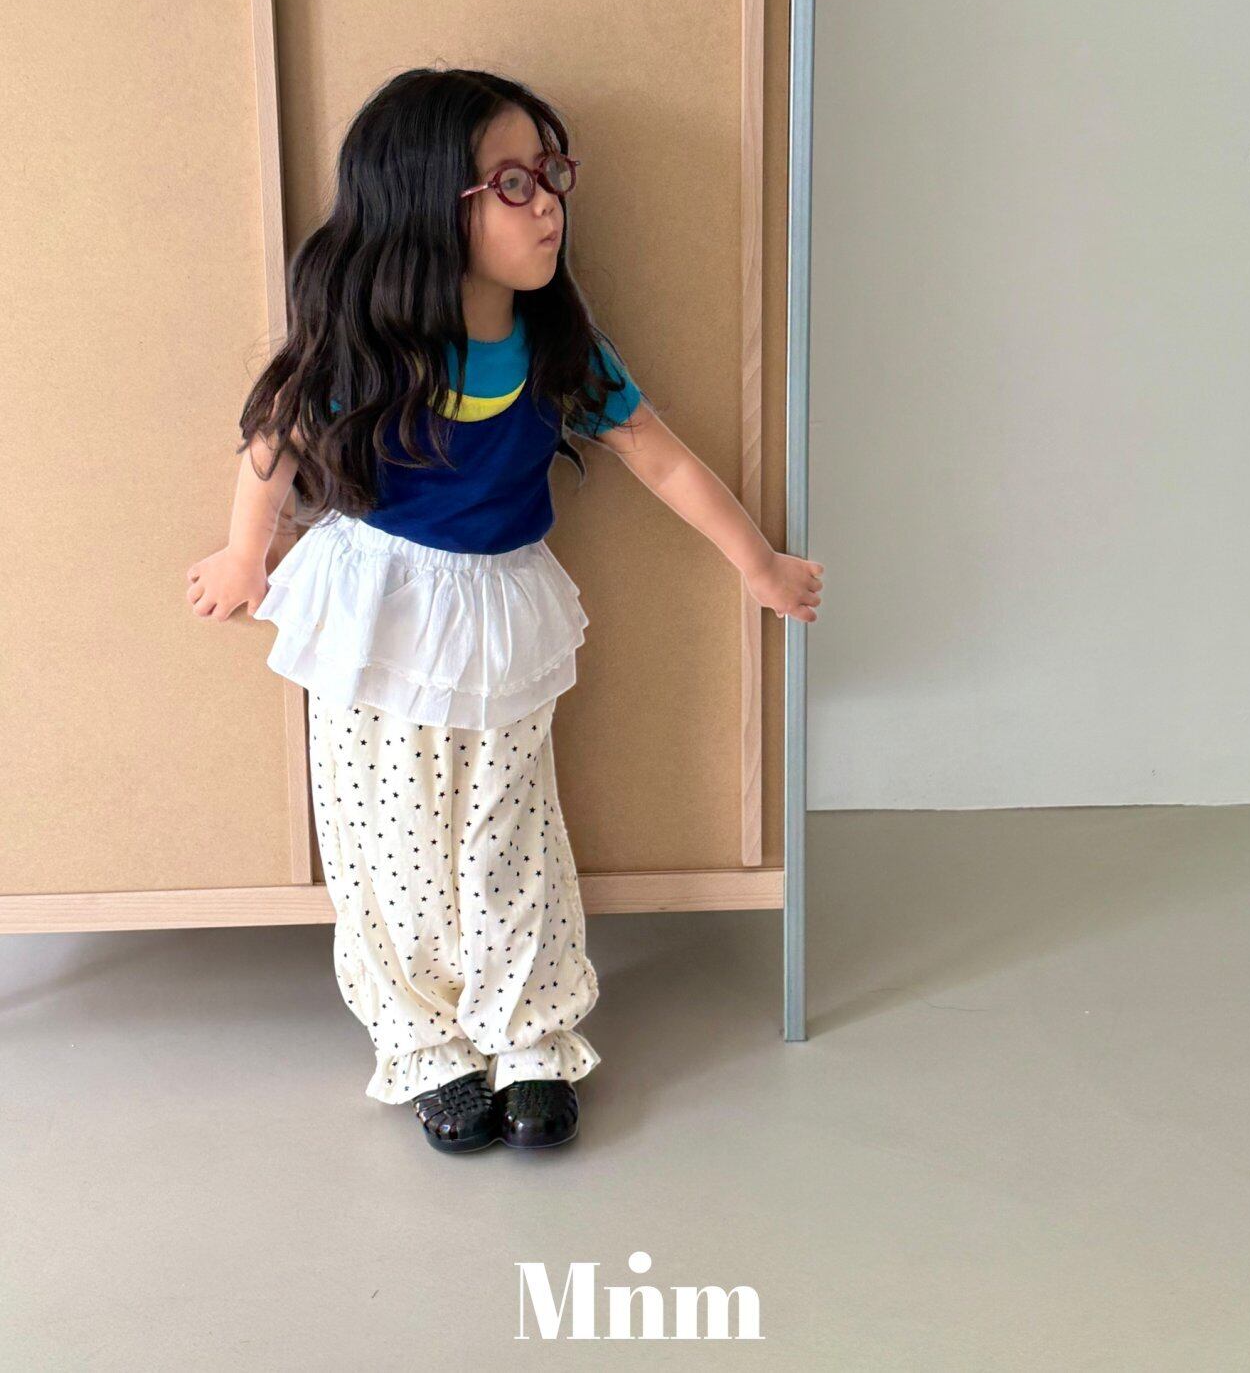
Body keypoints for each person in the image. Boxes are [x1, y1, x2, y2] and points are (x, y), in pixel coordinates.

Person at [185, 66, 823, 1155]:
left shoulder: (558, 351)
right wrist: (245, 553)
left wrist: (757, 563)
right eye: (511, 183)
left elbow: (661, 461)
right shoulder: (368, 348)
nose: (547, 205)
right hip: (375, 612)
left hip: (500, 612)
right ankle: (424, 1041)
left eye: (549, 174)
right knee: (386, 839)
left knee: (508, 831)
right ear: (426, 205)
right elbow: (275, 436)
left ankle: (529, 1033)